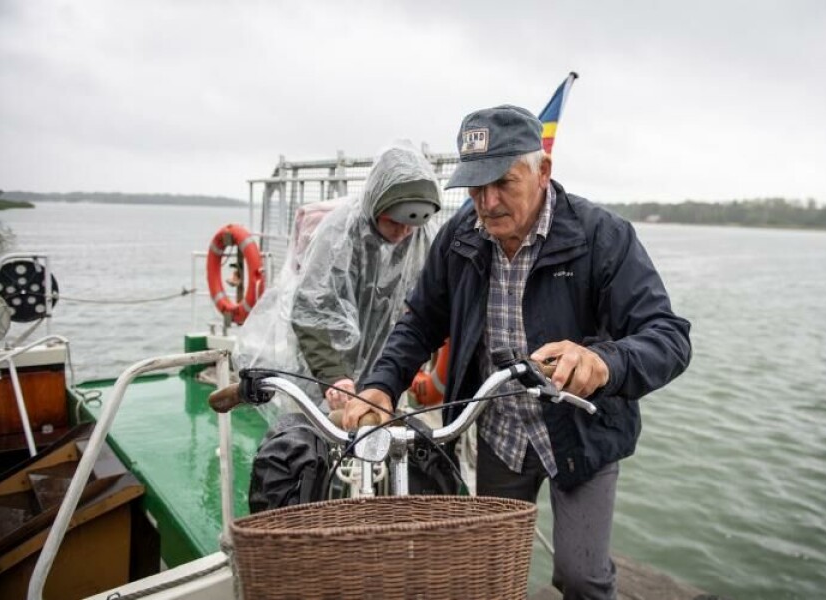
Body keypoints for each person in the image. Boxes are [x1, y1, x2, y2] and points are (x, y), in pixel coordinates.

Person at [343, 105, 692, 598]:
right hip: (500, 433)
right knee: (487, 572)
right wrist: (381, 384)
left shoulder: (603, 236)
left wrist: (602, 363)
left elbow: (669, 336)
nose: (487, 202)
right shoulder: (460, 236)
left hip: (582, 431)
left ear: (543, 171)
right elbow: (421, 320)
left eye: (503, 182)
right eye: (475, 187)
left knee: (582, 577)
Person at [290, 140, 442, 409]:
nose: (403, 233)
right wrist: (333, 375)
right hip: (328, 378)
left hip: (389, 373)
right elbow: (310, 309)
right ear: (376, 205)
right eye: (394, 222)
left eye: (411, 225)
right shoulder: (339, 234)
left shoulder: (424, 238)